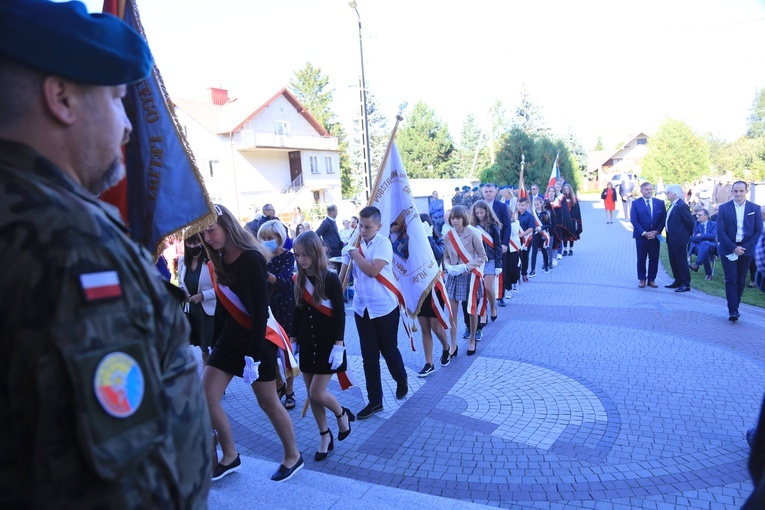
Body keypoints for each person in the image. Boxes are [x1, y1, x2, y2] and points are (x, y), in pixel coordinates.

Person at [0, 1, 210, 506]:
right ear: (62, 99)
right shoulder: (74, 249)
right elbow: (120, 485)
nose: (129, 127)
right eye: (117, 99)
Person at [201, 204, 303, 482]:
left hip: (258, 339)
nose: (208, 238)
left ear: (227, 225)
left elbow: (260, 310)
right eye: (204, 234)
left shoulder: (252, 259)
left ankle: (293, 455)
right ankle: (230, 455)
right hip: (229, 339)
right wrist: (211, 345)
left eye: (212, 230)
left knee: (268, 402)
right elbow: (223, 308)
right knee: (206, 395)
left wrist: (254, 354)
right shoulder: (217, 261)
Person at [291, 231, 353, 461]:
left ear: (316, 252)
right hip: (307, 342)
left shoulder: (330, 278)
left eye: (305, 254)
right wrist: (293, 340)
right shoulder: (298, 279)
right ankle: (324, 435)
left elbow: (340, 315)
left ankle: (341, 413)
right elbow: (296, 312)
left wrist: (339, 345)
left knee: (317, 393)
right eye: (297, 255)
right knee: (310, 393)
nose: (301, 259)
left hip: (328, 344)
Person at [341, 206, 408, 419]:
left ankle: (401, 378)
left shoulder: (383, 243)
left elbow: (372, 271)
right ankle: (374, 401)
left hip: (385, 306)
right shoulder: (353, 243)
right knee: (369, 357)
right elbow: (342, 278)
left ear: (378, 226)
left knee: (389, 350)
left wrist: (352, 251)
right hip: (362, 307)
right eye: (360, 225)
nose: (362, 230)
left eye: (368, 226)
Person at [257, 220, 297, 410]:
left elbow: (283, 281)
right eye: (263, 238)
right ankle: (279, 384)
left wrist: (264, 274)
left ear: (279, 238)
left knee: (287, 354)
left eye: (269, 238)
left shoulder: (288, 257)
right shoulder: (259, 256)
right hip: (266, 309)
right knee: (269, 352)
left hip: (286, 309)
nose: (266, 241)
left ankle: (290, 391)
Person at [443, 206, 487, 357]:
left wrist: (465, 267)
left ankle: (472, 339)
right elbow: (446, 256)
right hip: (454, 277)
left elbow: (482, 256)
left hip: (470, 276)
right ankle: (453, 343)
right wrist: (448, 266)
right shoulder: (448, 235)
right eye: (452, 218)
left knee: (471, 310)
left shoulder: (473, 233)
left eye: (458, 218)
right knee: (451, 312)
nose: (455, 221)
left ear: (464, 218)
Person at [716, 181, 763, 321]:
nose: (738, 194)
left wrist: (744, 247)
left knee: (740, 279)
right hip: (728, 248)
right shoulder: (724, 208)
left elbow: (757, 230)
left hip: (746, 250)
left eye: (741, 191)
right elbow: (720, 231)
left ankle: (735, 306)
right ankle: (733, 310)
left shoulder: (754, 208)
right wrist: (733, 248)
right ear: (731, 192)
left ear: (746, 191)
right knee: (731, 279)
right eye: (735, 191)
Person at [415, 213, 450, 375]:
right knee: (424, 327)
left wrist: (428, 237)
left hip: (434, 288)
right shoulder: (412, 243)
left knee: (436, 326)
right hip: (419, 289)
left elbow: (438, 255)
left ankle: (446, 347)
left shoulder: (438, 240)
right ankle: (429, 363)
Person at [179, 232, 216, 365]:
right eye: (189, 243)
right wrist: (182, 293)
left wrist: (203, 296)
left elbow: (222, 288)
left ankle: (213, 379)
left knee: (215, 348)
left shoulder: (212, 260)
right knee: (203, 350)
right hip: (193, 312)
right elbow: (181, 283)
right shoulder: (182, 261)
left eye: (196, 242)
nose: (192, 246)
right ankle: (207, 380)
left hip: (210, 313)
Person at [630, 181, 667, 288]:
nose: (649, 191)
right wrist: (644, 233)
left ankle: (651, 279)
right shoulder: (636, 203)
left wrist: (657, 231)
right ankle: (642, 279)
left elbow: (663, 219)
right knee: (641, 258)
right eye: (646, 189)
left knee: (654, 258)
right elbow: (634, 220)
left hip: (655, 236)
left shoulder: (659, 203)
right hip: (641, 236)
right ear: (641, 191)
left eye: (651, 189)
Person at [471, 201, 502, 325]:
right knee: (481, 290)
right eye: (477, 213)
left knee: (488, 287)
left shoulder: (493, 226)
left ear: (487, 212)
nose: (479, 215)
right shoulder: (472, 226)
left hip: (490, 260)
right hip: (478, 261)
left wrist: (499, 265)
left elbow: (498, 246)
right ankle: (483, 314)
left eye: (481, 212)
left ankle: (493, 307)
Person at [481, 183, 511, 307]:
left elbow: (507, 226)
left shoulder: (502, 207)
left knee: (499, 270)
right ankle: (483, 297)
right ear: (482, 192)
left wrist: (504, 243)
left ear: (495, 192)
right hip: (482, 245)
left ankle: (500, 296)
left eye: (490, 191)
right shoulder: (478, 206)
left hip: (498, 245)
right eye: (486, 191)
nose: (488, 193)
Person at [663, 184, 694, 293]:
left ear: (675, 194)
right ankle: (678, 280)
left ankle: (685, 283)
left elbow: (689, 221)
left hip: (679, 238)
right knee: (673, 260)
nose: (666, 194)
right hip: (671, 238)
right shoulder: (673, 205)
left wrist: (689, 234)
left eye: (668, 192)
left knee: (681, 261)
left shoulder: (681, 205)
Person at [688, 208, 717, 281]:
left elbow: (714, 236)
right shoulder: (695, 225)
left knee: (705, 244)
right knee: (705, 250)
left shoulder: (714, 224)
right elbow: (692, 238)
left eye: (700, 215)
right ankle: (708, 274)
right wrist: (706, 236)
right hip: (697, 247)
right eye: (697, 215)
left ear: (706, 216)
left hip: (712, 246)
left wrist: (701, 235)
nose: (697, 216)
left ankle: (697, 265)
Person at [529, 197, 552, 276]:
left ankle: (546, 266)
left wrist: (541, 227)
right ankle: (532, 270)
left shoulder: (546, 213)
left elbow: (549, 224)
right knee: (534, 252)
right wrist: (534, 228)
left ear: (541, 204)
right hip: (535, 235)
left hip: (543, 235)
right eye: (534, 205)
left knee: (544, 251)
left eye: (537, 204)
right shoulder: (533, 214)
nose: (536, 206)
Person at [516, 197, 535, 282]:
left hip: (526, 240)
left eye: (522, 205)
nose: (520, 207)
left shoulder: (530, 216)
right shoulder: (515, 215)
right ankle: (517, 274)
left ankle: (524, 273)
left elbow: (531, 228)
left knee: (524, 257)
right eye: (519, 205)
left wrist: (521, 235)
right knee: (516, 257)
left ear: (527, 205)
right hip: (516, 240)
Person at [560, 183, 582, 255]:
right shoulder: (562, 198)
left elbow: (576, 209)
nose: (567, 190)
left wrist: (571, 216)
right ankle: (565, 249)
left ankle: (571, 249)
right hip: (564, 220)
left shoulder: (574, 198)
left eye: (568, 189)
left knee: (571, 234)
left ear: (570, 190)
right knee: (565, 234)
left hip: (572, 219)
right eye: (565, 189)